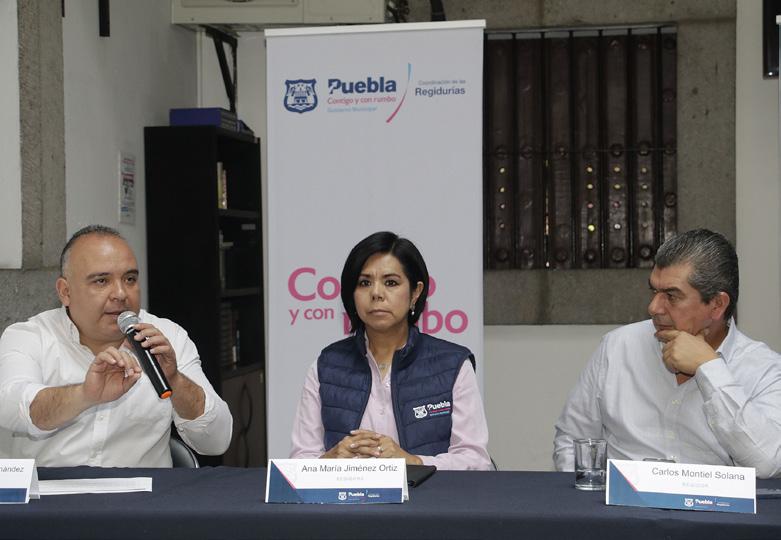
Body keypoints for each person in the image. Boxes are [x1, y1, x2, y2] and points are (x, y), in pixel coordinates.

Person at [553, 229, 781, 478]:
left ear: (717, 305)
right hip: (622, 502)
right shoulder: (618, 347)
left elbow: (768, 464)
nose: (653, 308)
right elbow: (572, 441)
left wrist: (709, 368)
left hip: (710, 503)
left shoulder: (764, 369)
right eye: (654, 292)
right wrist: (586, 497)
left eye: (671, 296)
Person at [0, 225, 232, 467]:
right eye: (101, 281)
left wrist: (175, 380)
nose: (121, 294)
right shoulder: (28, 336)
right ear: (65, 292)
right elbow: (11, 407)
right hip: (50, 488)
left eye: (130, 279)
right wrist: (84, 395)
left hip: (145, 489)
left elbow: (216, 441)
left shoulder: (167, 337)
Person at [290, 231, 492, 470]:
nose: (376, 293)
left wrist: (412, 462)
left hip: (430, 494)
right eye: (364, 283)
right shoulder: (326, 366)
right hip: (346, 495)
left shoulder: (453, 365)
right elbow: (300, 461)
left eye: (391, 283)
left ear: (415, 292)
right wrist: (331, 460)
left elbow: (476, 461)